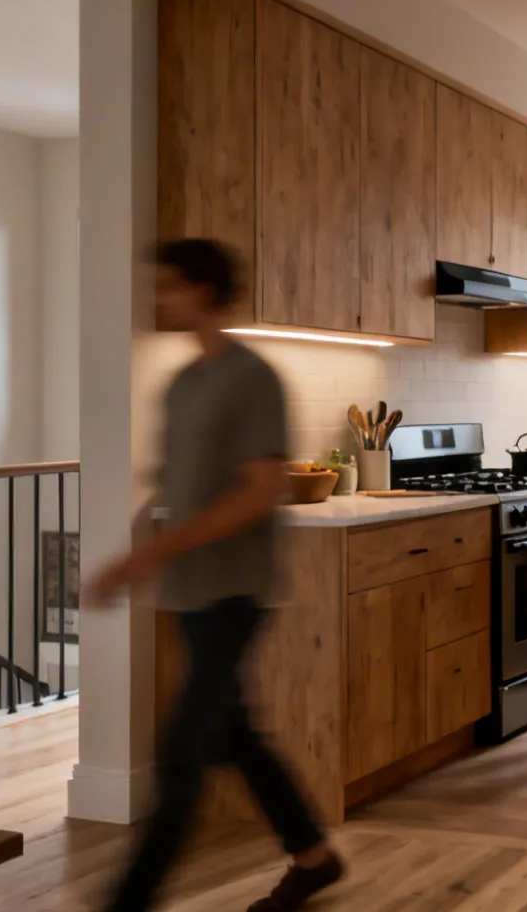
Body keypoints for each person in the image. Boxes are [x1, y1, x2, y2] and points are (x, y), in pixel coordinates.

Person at [88, 239, 343, 912]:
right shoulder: (183, 380)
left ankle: (128, 901)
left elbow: (261, 490)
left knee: (180, 755)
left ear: (203, 290)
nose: (155, 297)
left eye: (167, 285)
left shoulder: (251, 377)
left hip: (236, 589)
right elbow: (184, 485)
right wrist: (142, 550)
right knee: (234, 734)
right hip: (189, 592)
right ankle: (314, 857)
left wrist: (151, 553)